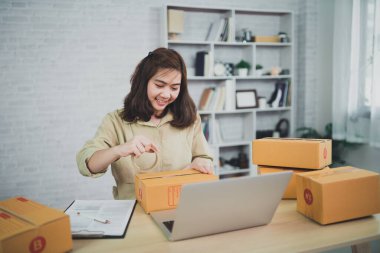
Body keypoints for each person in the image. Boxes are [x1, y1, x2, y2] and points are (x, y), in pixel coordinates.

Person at [76, 47, 213, 199]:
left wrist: (202, 161)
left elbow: (203, 156)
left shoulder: (190, 119)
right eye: (159, 85)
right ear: (143, 83)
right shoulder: (115, 121)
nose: (166, 94)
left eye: (174, 88)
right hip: (134, 210)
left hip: (180, 206)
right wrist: (119, 150)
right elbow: (87, 165)